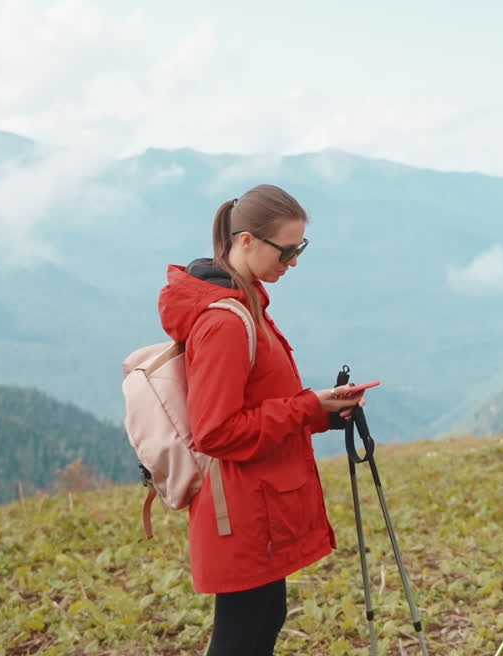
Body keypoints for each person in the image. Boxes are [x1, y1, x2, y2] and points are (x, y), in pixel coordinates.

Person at [157, 184, 365, 656]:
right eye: (287, 250)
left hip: (255, 507)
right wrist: (309, 408)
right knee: (242, 638)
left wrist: (324, 414)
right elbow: (216, 430)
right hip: (242, 514)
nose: (293, 262)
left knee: (260, 622)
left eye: (301, 249)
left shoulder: (247, 302)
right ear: (247, 241)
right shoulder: (226, 323)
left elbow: (261, 403)